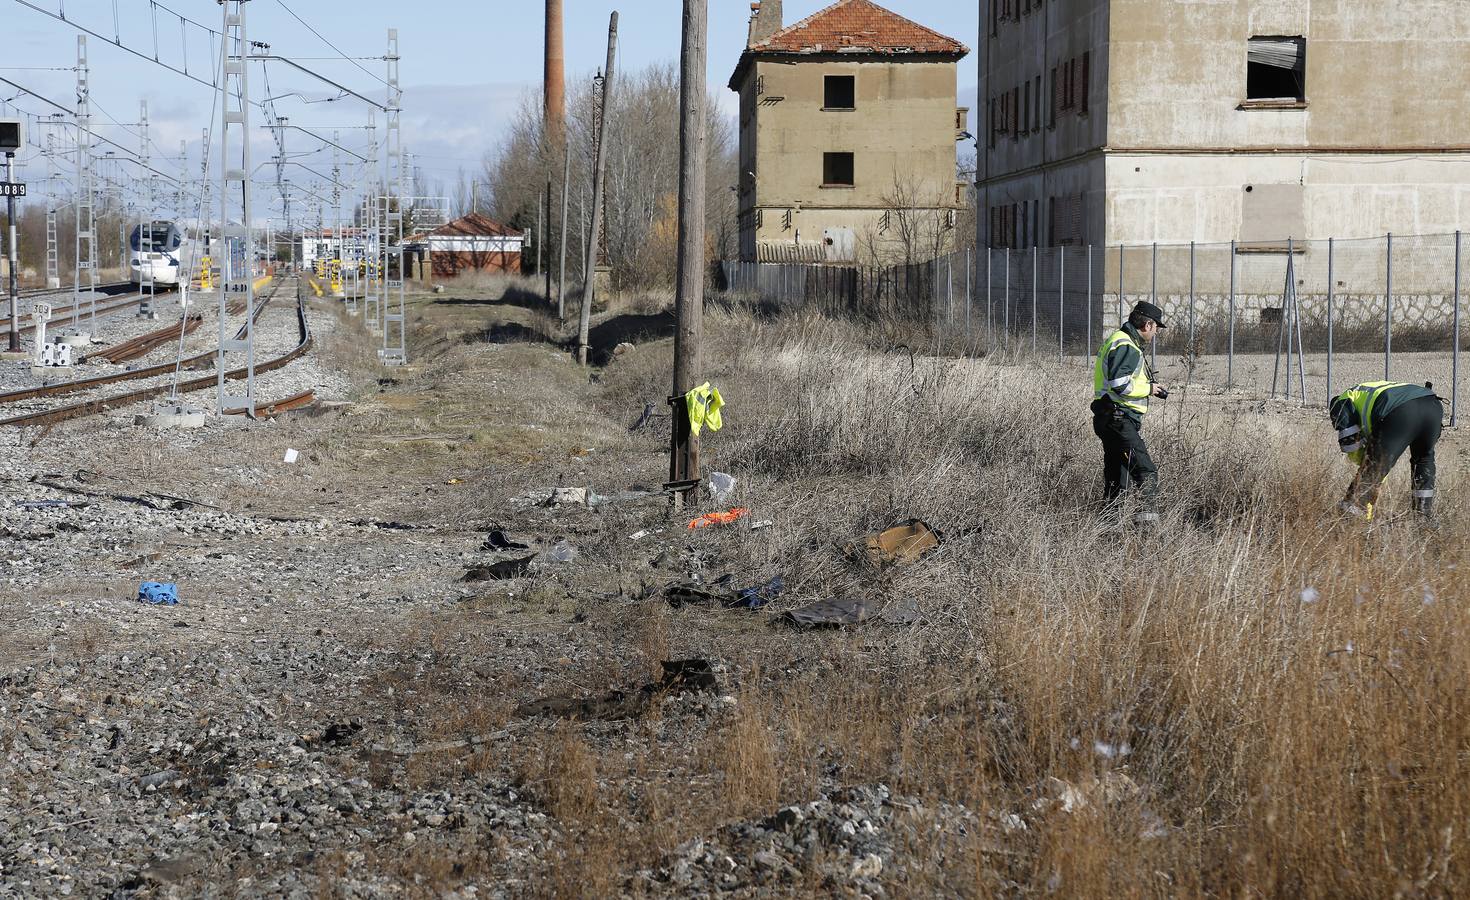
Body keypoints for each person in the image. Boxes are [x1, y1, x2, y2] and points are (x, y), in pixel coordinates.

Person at [1091, 301, 1169, 524]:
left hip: (1109, 418)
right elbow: (1120, 384)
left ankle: (1108, 531)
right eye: (1156, 329)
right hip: (1119, 419)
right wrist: (1149, 388)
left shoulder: (1118, 340)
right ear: (1147, 324)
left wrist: (1149, 387)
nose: (1155, 334)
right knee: (1146, 473)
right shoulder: (1127, 345)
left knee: (1118, 480)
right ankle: (1147, 531)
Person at [1329, 380, 1442, 520]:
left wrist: (1368, 464)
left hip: (1402, 410)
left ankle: (1351, 519)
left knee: (1375, 467)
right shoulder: (1363, 392)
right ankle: (1423, 516)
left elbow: (1351, 444)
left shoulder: (1340, 402)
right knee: (1423, 459)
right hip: (1433, 406)